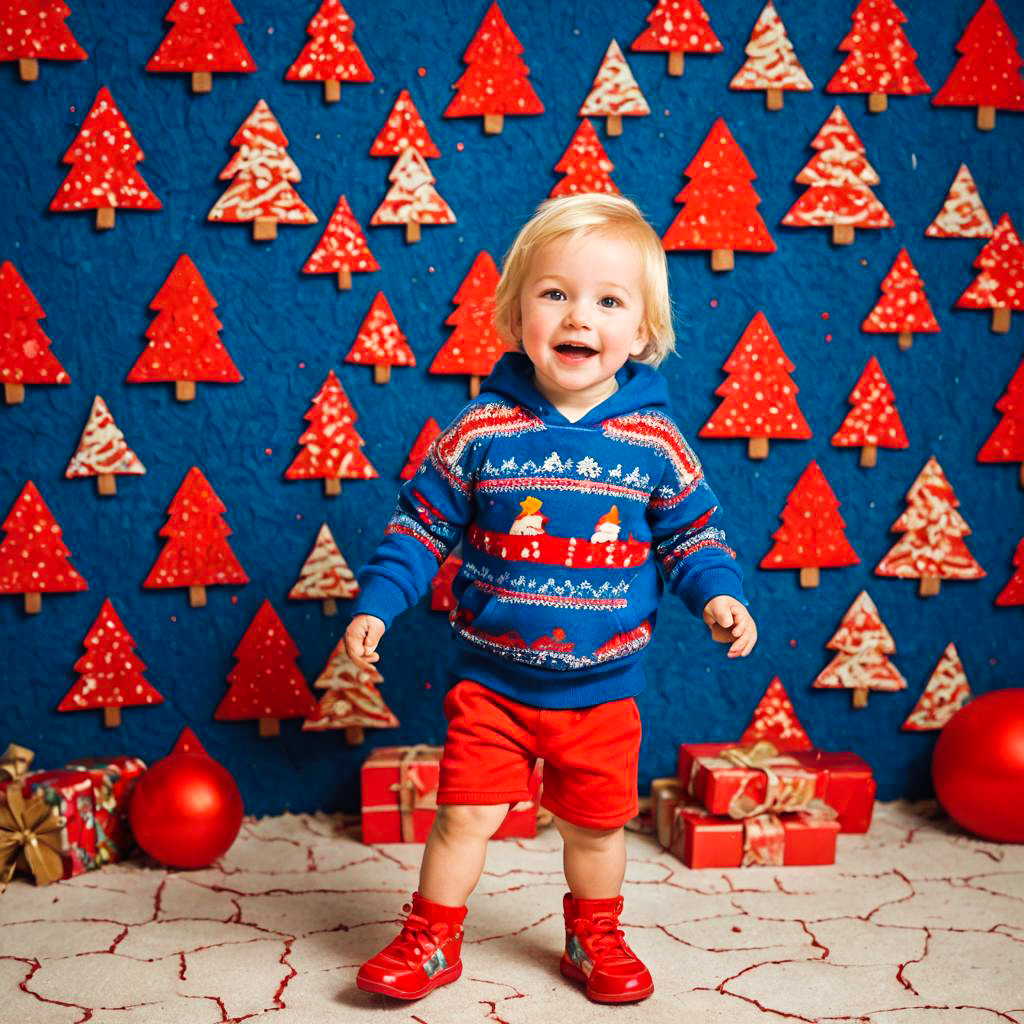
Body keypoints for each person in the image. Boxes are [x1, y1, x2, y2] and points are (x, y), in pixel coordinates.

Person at [345, 193, 757, 1004]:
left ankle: (593, 933)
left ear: (640, 332)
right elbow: (420, 526)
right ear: (516, 312)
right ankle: (432, 934)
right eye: (556, 293)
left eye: (609, 301)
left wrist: (718, 596)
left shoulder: (654, 442)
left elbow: (692, 537)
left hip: (600, 689)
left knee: (596, 827)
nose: (580, 316)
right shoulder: (481, 429)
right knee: (463, 815)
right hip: (493, 683)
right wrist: (377, 603)